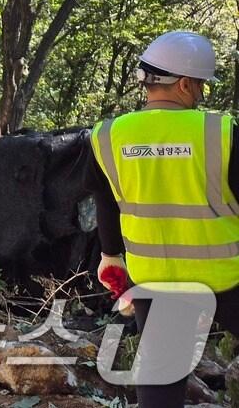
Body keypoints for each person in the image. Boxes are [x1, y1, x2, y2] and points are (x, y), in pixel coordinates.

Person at [88, 30, 239, 408]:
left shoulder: (109, 136)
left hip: (156, 279)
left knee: (162, 380)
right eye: (201, 85)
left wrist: (110, 257)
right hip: (228, 276)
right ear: (186, 84)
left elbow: (106, 202)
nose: (202, 92)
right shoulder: (219, 132)